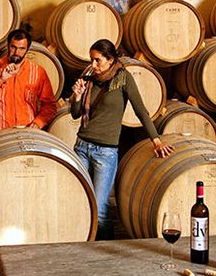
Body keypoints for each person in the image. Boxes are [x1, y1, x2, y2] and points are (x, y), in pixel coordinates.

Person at [68, 39, 173, 239]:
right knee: (80, 202)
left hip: (105, 153)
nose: (93, 65)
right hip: (81, 147)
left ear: (110, 59)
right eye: (91, 60)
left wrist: (156, 140)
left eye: (97, 60)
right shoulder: (88, 78)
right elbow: (75, 114)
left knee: (100, 210)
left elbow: (141, 111)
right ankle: (84, 248)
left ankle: (106, 251)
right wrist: (77, 97)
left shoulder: (123, 79)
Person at [0, 28, 58, 129]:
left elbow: (50, 106)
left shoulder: (38, 72)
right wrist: (0, 80)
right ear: (8, 46)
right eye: (13, 47)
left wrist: (38, 123)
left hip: (26, 131)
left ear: (27, 49)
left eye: (22, 48)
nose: (17, 52)